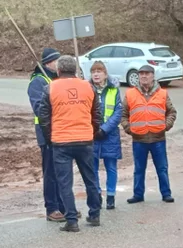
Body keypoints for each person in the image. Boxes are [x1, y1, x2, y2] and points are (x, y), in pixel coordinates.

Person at [34, 55, 103, 232]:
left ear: (58, 71)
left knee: (65, 183)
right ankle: (94, 214)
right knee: (90, 178)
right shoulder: (88, 87)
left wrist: (50, 138)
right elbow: (97, 114)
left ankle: (71, 220)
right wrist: (92, 132)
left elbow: (44, 117)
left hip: (61, 142)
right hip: (85, 140)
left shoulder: (50, 88)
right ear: (75, 70)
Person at [122, 64, 177, 204]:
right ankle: (138, 194)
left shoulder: (162, 93)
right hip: (138, 138)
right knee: (139, 169)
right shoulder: (130, 94)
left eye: (147, 73)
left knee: (162, 168)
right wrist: (128, 128)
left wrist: (166, 125)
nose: (144, 76)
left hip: (158, 138)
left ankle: (166, 193)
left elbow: (171, 112)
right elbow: (123, 114)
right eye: (141, 74)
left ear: (153, 76)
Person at [28, 48, 65, 222]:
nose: (59, 64)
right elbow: (39, 109)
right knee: (51, 172)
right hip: (47, 132)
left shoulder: (58, 79)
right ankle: (52, 208)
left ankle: (64, 206)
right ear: (48, 63)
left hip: (63, 131)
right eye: (57, 61)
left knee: (62, 171)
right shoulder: (38, 81)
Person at [89, 61, 122, 210]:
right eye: (93, 71)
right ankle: (96, 195)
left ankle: (110, 196)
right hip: (93, 134)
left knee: (111, 167)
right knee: (92, 167)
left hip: (110, 134)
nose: (96, 74)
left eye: (99, 71)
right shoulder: (87, 89)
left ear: (105, 74)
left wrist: (105, 129)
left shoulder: (114, 90)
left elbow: (118, 112)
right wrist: (95, 129)